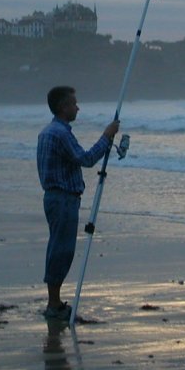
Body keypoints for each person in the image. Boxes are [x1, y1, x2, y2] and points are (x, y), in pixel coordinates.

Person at [37, 86, 119, 320]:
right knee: (61, 251)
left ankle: (54, 302)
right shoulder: (60, 134)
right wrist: (107, 136)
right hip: (63, 199)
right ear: (63, 107)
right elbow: (86, 159)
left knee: (57, 249)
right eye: (74, 103)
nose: (78, 107)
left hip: (54, 198)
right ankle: (54, 305)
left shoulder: (47, 132)